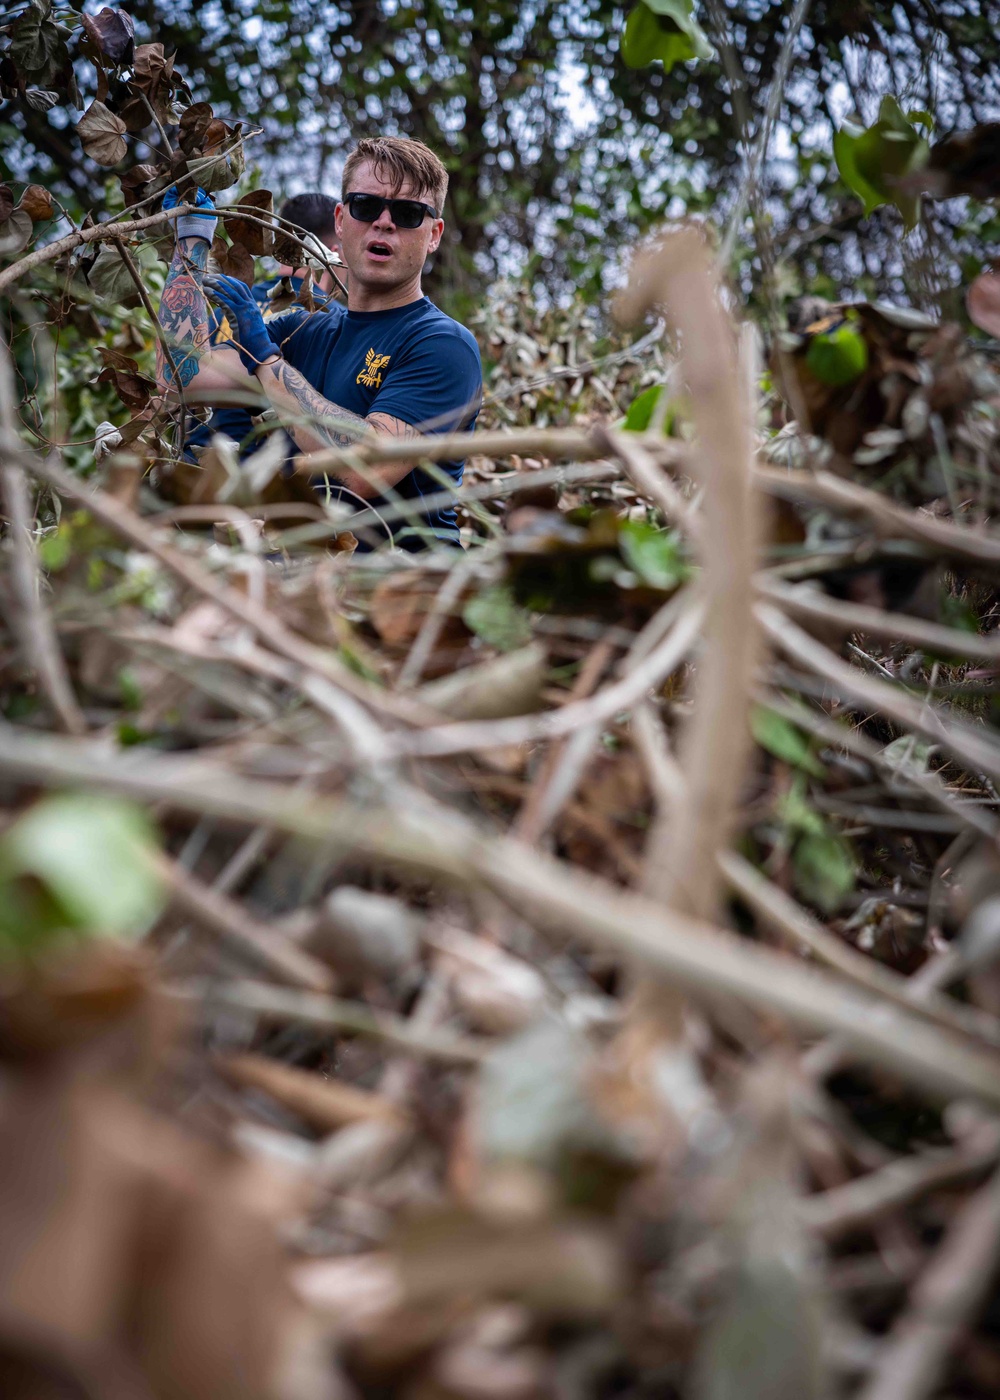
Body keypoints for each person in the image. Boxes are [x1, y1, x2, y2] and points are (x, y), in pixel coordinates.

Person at [157, 138, 483, 550]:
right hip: (309, 585)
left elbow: (361, 470)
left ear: (434, 234)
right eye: (366, 206)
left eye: (407, 213)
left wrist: (267, 360)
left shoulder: (444, 344)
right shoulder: (304, 330)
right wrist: (190, 238)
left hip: (406, 588)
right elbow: (177, 377)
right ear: (341, 221)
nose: (384, 223)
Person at [187, 190, 344, 459]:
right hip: (263, 478)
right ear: (333, 253)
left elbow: (184, 372)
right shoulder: (331, 318)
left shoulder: (230, 301)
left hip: (195, 464)